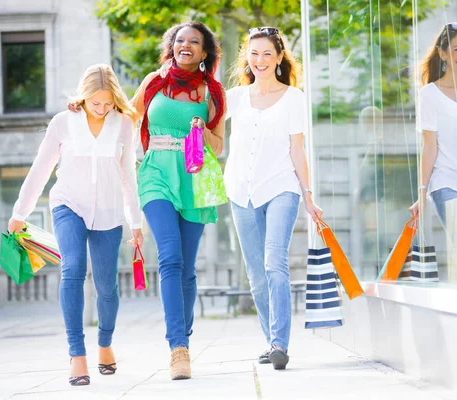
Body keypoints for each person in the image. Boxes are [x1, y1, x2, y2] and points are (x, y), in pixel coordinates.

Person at [8, 64, 143, 386]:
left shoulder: (124, 124)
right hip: (68, 204)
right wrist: (19, 213)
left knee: (107, 286)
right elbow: (41, 168)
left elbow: (129, 176)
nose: (102, 108)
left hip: (109, 213)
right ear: (83, 98)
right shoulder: (63, 123)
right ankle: (77, 354)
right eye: (95, 103)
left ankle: (106, 344)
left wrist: (135, 222)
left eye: (108, 103)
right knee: (72, 268)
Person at [130, 21, 226, 380]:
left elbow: (219, 144)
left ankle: (183, 337)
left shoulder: (211, 92)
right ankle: (177, 348)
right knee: (168, 256)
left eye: (194, 42)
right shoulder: (154, 81)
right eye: (180, 40)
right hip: (155, 173)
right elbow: (126, 116)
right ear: (172, 46)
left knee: (186, 266)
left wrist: (201, 132)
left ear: (204, 52)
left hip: (194, 179)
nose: (185, 45)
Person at [224, 27, 323, 370]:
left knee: (273, 263)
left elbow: (297, 149)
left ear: (280, 57)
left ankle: (280, 342)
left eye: (268, 53)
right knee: (255, 272)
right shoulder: (233, 97)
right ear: (246, 57)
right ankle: (271, 340)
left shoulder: (294, 97)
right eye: (254, 53)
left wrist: (308, 195)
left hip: (281, 187)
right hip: (240, 190)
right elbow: (206, 126)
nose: (260, 60)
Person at [409, 23, 457, 282]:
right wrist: (422, 193)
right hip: (446, 183)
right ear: (443, 54)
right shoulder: (431, 94)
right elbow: (430, 147)